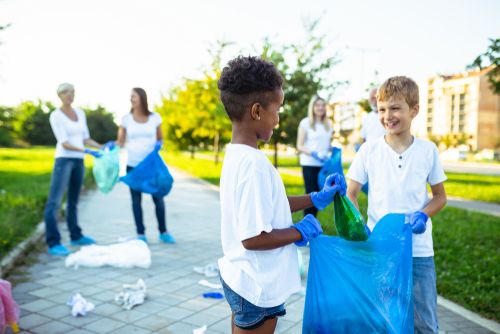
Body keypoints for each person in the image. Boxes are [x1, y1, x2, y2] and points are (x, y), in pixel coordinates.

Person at [217, 56, 346, 333]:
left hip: (242, 277)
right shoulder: (254, 165)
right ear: (256, 111)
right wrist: (299, 232)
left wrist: (315, 198)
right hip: (256, 287)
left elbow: (268, 206)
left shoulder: (238, 155)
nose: (278, 119)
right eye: (277, 109)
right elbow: (252, 238)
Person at [346, 76, 447, 333]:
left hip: (419, 252)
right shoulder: (369, 150)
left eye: (395, 108)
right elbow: (351, 194)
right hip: (380, 248)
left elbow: (440, 196)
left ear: (414, 110)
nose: (387, 116)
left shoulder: (428, 150)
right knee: (383, 319)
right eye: (382, 109)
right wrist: (360, 226)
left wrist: (423, 215)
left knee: (424, 322)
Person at [44, 83, 103, 256]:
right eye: (65, 92)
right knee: (54, 202)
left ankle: (75, 236)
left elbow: (85, 138)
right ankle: (53, 242)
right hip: (64, 159)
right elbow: (64, 142)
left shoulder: (80, 113)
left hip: (78, 161)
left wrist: (101, 147)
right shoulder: (56, 115)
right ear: (59, 95)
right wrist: (86, 151)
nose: (69, 95)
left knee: (73, 200)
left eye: (72, 92)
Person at [117, 87, 175, 244]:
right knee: (136, 201)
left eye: (133, 96)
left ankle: (163, 232)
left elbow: (160, 139)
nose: (131, 99)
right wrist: (109, 148)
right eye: (130, 97)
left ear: (142, 98)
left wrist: (158, 146)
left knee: (158, 198)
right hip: (133, 166)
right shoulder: (126, 119)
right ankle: (141, 233)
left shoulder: (155, 117)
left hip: (151, 166)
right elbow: (120, 142)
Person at [296, 96, 334, 217]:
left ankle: (312, 223)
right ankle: (306, 225)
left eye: (323, 105)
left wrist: (332, 150)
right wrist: (314, 153)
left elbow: (326, 145)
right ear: (312, 107)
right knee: (311, 195)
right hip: (309, 164)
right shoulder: (305, 123)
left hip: (323, 166)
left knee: (319, 195)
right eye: (317, 105)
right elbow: (299, 145)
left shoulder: (328, 124)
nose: (320, 108)